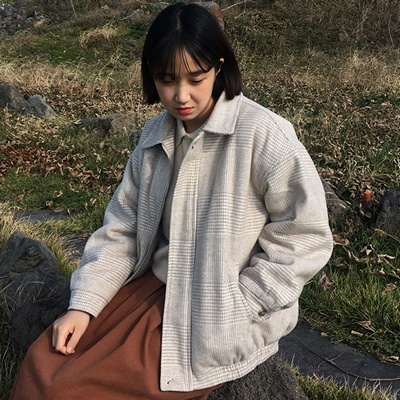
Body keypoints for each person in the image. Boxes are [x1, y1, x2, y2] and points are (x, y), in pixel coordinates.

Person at [10, 3, 333, 399]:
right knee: (42, 365)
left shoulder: (264, 135)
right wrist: (84, 305)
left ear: (218, 67)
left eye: (196, 78)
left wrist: (244, 303)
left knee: (70, 389)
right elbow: (122, 230)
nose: (181, 95)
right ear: (152, 76)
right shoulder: (154, 136)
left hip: (214, 310)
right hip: (154, 288)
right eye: (167, 80)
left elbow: (306, 236)